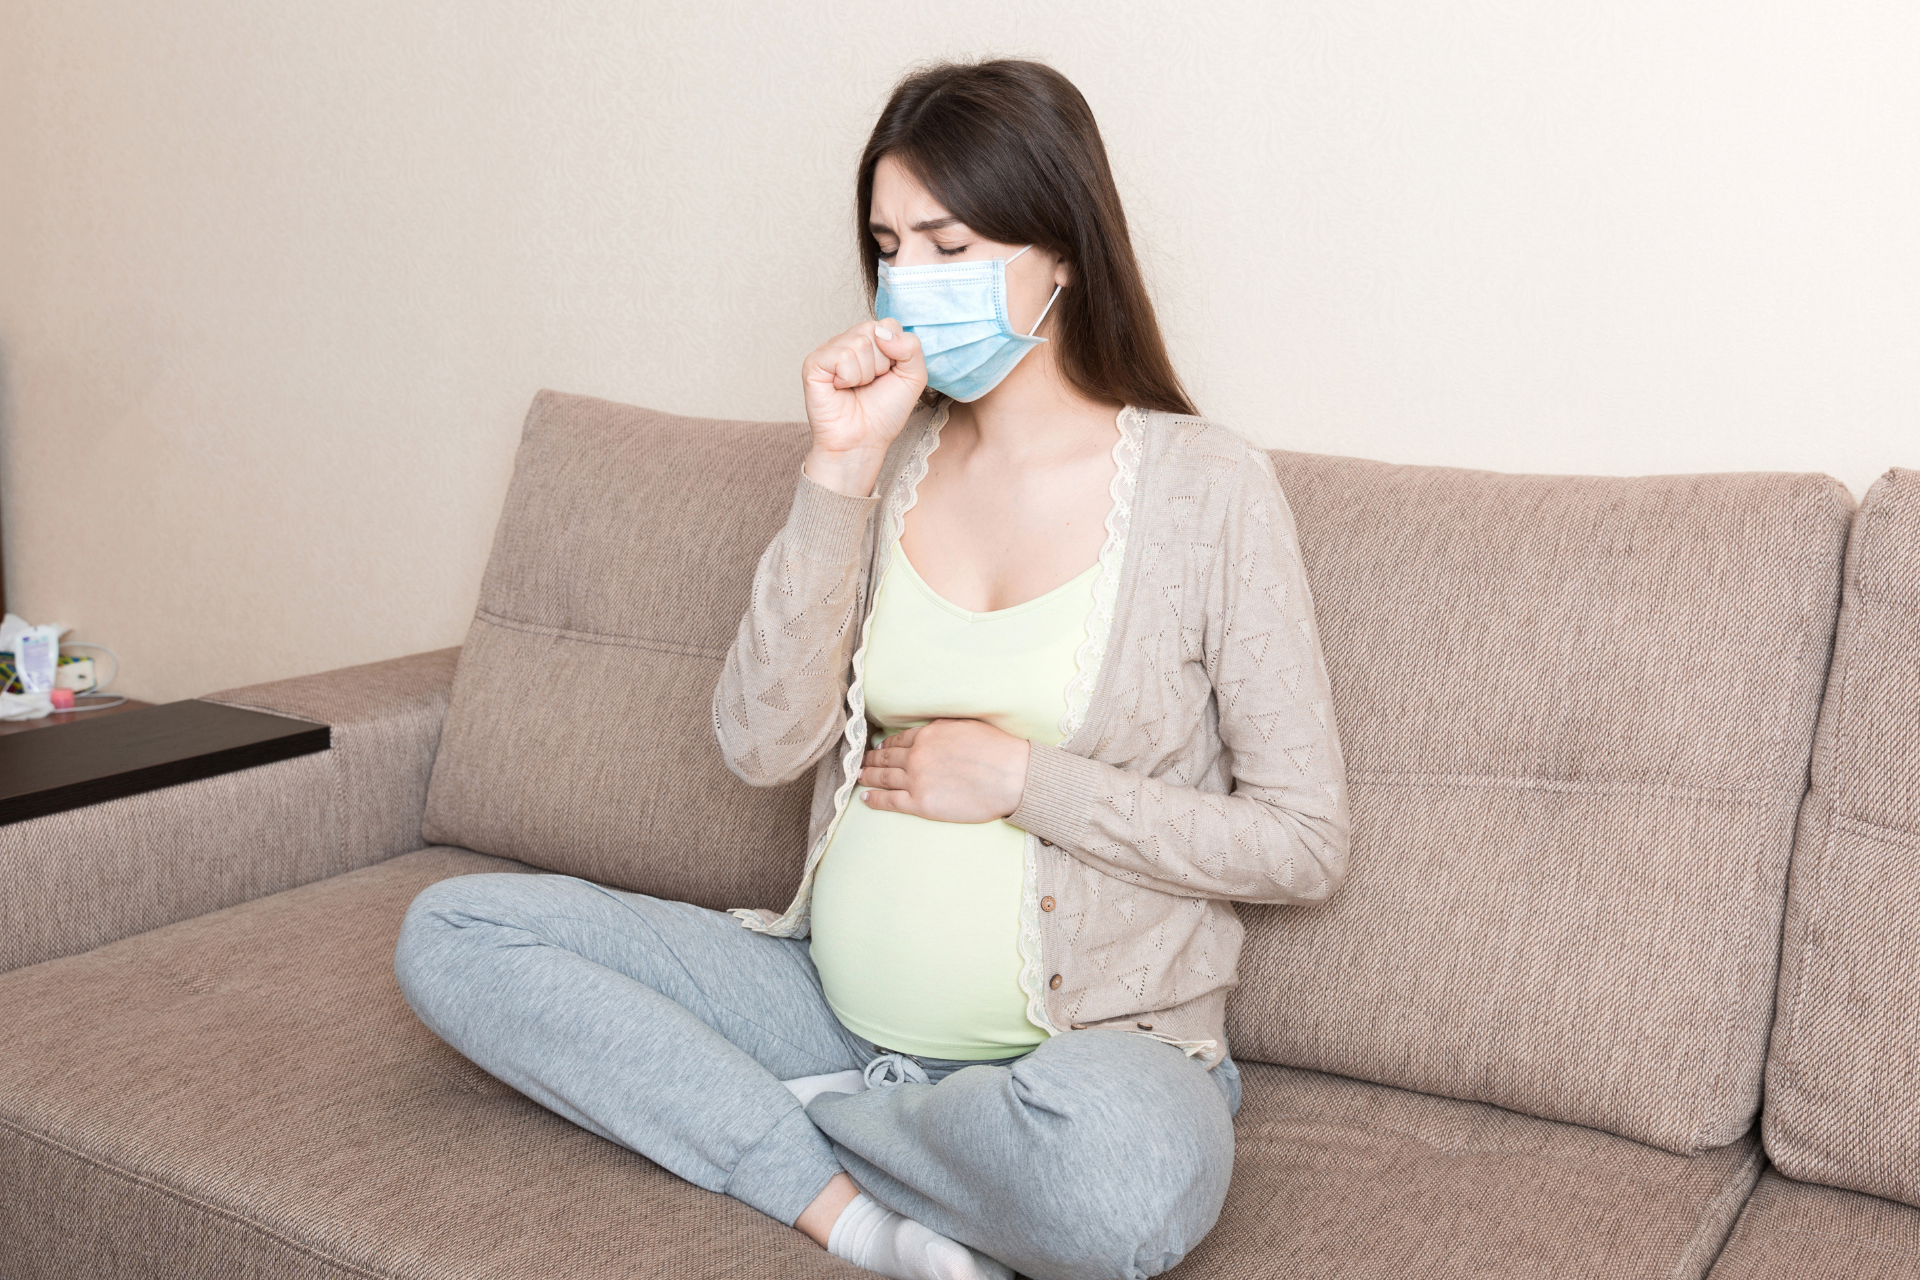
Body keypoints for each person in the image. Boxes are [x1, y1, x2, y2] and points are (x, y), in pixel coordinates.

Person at [394, 57, 1350, 1280]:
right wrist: (836, 474)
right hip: (826, 1003)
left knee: (1110, 1185)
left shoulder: (1209, 488)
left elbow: (1302, 840)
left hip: (1096, 1051)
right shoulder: (889, 462)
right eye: (891, 246)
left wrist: (1021, 779)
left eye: (951, 244)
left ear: (1061, 251)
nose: (912, 283)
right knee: (456, 929)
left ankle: (758, 1114)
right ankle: (855, 1212)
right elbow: (759, 741)